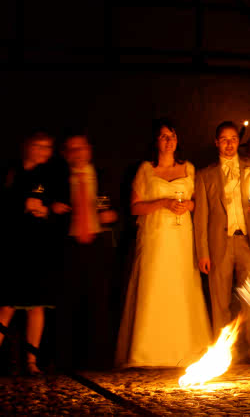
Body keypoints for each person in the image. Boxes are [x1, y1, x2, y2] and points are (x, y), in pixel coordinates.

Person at [115, 119, 211, 368]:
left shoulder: (189, 168)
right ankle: (148, 352)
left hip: (181, 236)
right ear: (156, 141)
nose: (168, 141)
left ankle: (185, 350)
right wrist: (163, 203)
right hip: (155, 236)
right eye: (163, 136)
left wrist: (187, 205)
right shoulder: (146, 170)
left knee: (181, 286)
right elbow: (135, 207)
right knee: (154, 286)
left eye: (172, 136)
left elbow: (200, 204)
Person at [194, 121, 250, 364]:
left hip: (248, 241)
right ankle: (222, 357)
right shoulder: (205, 174)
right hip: (220, 243)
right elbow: (201, 218)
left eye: (233, 139)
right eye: (224, 139)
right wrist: (202, 252)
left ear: (239, 142)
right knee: (220, 303)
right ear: (217, 142)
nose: (229, 144)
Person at [54, 133, 120, 371]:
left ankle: (100, 361)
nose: (78, 153)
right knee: (68, 305)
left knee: (99, 303)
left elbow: (119, 207)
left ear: (89, 150)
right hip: (69, 246)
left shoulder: (103, 175)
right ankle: (67, 362)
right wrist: (54, 208)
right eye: (72, 149)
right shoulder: (59, 179)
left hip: (97, 245)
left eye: (81, 148)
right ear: (65, 154)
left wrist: (112, 216)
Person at [1, 133, 60, 376]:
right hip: (14, 246)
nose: (43, 151)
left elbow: (56, 206)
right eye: (38, 146)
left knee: (37, 306)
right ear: (27, 146)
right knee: (7, 305)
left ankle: (32, 361)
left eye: (48, 147)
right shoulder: (11, 172)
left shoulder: (49, 176)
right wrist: (22, 205)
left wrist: (46, 210)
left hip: (38, 247)